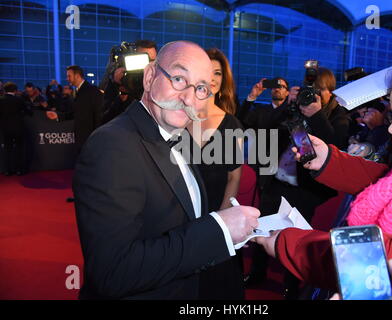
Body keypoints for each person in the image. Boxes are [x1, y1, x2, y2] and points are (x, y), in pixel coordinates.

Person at [254, 40, 392, 295]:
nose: (391, 128)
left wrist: (290, 242)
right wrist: (328, 160)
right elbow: (386, 181)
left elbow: (385, 263)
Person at [73, 40, 260, 299]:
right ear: (150, 77)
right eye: (179, 79)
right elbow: (113, 271)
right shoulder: (111, 145)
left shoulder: (178, 133)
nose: (189, 98)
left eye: (201, 88)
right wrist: (218, 230)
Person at [239, 69, 349, 299]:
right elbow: (268, 130)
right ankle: (258, 273)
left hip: (304, 190)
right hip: (277, 180)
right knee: (263, 227)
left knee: (297, 237)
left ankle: (292, 287)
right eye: (311, 91)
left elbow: (335, 145)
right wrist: (290, 107)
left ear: (330, 92)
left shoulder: (337, 115)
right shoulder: (296, 109)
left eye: (320, 91)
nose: (313, 96)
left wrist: (316, 115)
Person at [186, 47, 245, 299]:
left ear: (222, 81)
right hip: (178, 213)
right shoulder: (177, 118)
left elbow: (234, 177)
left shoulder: (232, 124)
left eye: (217, 73)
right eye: (207, 71)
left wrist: (220, 219)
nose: (212, 77)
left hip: (214, 211)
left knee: (213, 285)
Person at [46, 65, 104, 154]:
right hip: (82, 137)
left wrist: (96, 136)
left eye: (69, 76)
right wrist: (57, 116)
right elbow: (75, 113)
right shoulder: (79, 91)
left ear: (77, 76)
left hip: (90, 137)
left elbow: (98, 114)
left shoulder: (92, 90)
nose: (67, 78)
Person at [0, 82, 27, 175]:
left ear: (4, 90)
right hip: (18, 128)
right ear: (15, 90)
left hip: (5, 128)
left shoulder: (1, 100)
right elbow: (28, 111)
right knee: (19, 149)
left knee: (7, 149)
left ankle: (7, 170)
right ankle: (19, 170)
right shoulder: (19, 100)